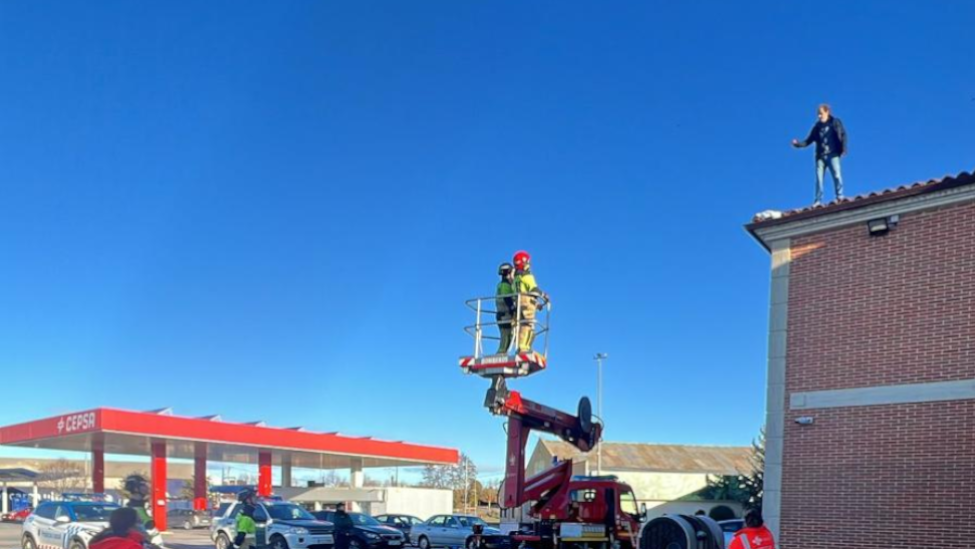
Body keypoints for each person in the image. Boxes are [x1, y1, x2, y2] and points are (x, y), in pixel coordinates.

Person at [791, 104, 848, 206]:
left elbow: (843, 134)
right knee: (819, 178)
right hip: (820, 156)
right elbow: (808, 140)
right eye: (818, 114)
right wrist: (797, 144)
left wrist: (843, 148)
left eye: (821, 114)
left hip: (833, 154)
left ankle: (840, 196)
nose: (819, 116)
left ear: (827, 112)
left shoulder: (835, 122)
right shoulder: (817, 127)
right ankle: (818, 200)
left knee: (837, 175)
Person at [512, 250, 548, 353]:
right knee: (528, 325)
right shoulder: (527, 277)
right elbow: (533, 290)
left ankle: (519, 346)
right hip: (527, 305)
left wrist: (537, 305)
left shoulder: (516, 279)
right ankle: (524, 347)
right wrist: (544, 296)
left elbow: (523, 293)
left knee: (519, 326)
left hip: (518, 304)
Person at [495, 262, 516, 355]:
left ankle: (503, 351)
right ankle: (502, 351)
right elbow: (507, 298)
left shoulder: (503, 285)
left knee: (509, 335)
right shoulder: (505, 285)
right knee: (506, 335)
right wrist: (513, 308)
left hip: (503, 314)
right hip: (505, 314)